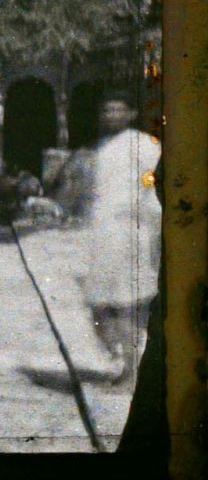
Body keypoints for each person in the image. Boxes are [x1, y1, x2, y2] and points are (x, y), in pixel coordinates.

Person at [76, 96, 161, 382]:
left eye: (118, 110)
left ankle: (131, 371)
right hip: (102, 232)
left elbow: (153, 182)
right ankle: (120, 358)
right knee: (98, 303)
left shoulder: (145, 145)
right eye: (106, 110)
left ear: (131, 113)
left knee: (125, 304)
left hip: (130, 231)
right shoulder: (101, 147)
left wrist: (147, 219)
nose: (111, 115)